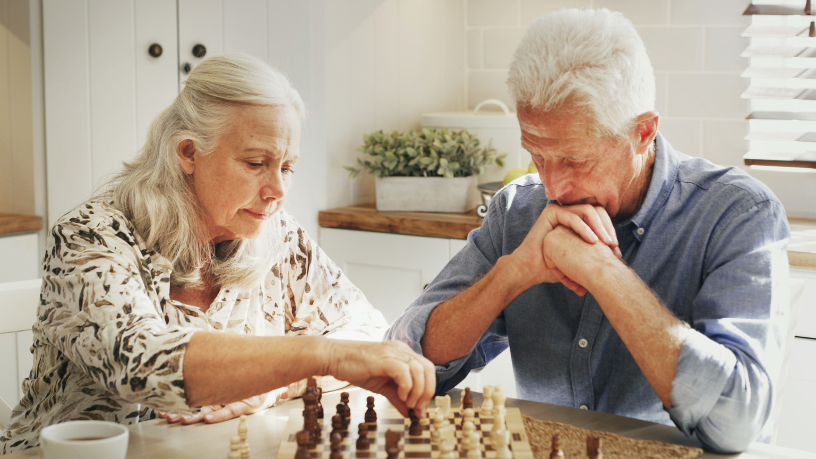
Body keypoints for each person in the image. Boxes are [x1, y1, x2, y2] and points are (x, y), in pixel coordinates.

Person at [386, 8, 790, 454]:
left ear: (643, 132)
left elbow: (738, 425)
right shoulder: (517, 210)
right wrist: (511, 274)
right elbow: (403, 360)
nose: (553, 187)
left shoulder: (737, 214)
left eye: (575, 161)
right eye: (537, 156)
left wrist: (604, 272)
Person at [0, 54, 435, 454]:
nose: (278, 192)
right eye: (255, 163)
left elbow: (364, 328)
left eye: (287, 167)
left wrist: (275, 385)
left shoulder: (275, 231)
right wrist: (321, 354)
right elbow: (143, 364)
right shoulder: (90, 236)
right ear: (188, 152)